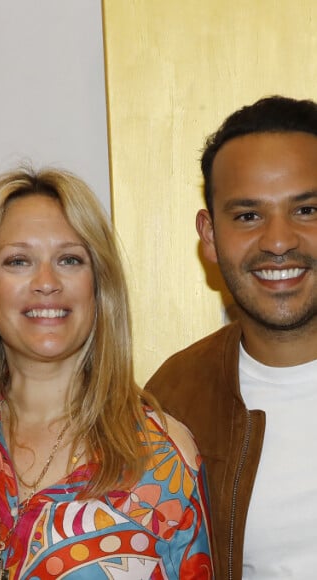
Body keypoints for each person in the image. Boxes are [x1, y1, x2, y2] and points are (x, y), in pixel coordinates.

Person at [0, 167, 213, 579]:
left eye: (69, 259)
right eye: (18, 261)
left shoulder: (161, 459)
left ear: (99, 286)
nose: (46, 282)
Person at [145, 95, 317, 579]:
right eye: (247, 216)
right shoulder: (172, 402)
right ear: (209, 235)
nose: (279, 241)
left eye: (306, 209)